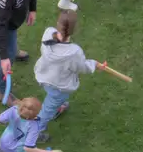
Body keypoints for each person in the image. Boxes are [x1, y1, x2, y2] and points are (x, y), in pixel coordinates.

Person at [33, 10, 98, 138]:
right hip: (59, 86)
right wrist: (94, 64)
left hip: (44, 76)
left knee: (53, 101)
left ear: (58, 24)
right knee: (47, 109)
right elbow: (82, 67)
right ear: (74, 30)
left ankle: (57, 108)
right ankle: (36, 132)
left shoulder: (48, 34)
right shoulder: (74, 52)